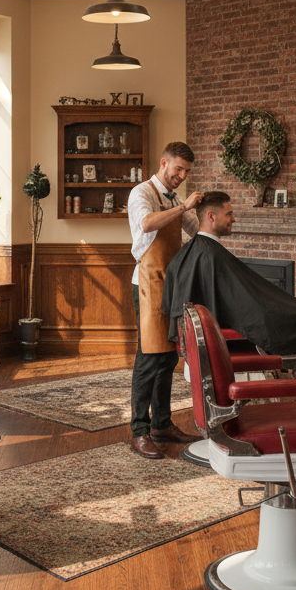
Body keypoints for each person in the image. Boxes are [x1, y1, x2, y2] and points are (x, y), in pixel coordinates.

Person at [162, 191, 296, 397]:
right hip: (247, 326)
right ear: (211, 217)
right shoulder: (209, 255)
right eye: (229, 214)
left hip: (247, 318)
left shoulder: (195, 252)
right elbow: (248, 305)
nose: (234, 218)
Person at [126, 141, 203, 459]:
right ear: (163, 163)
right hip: (146, 283)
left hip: (172, 285)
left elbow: (195, 229)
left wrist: (206, 216)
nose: (182, 176)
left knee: (169, 357)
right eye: (178, 169)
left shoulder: (173, 198)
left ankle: (162, 424)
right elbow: (146, 224)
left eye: (187, 171)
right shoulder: (141, 193)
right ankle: (139, 431)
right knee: (148, 358)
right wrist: (183, 207)